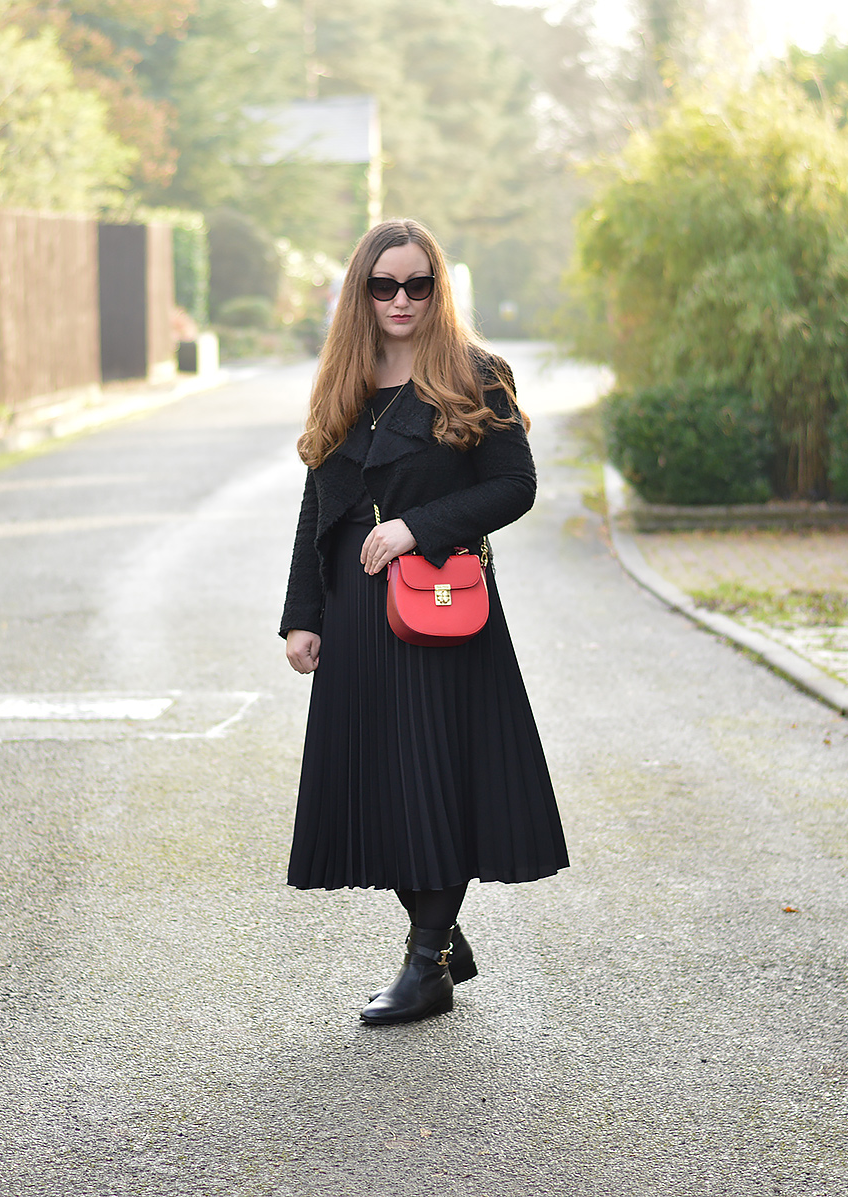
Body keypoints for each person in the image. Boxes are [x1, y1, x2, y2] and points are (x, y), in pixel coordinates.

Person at [280, 219, 569, 1026]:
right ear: (361, 292)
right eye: (383, 285)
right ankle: (438, 938)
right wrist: (303, 616)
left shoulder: (477, 374)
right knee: (374, 782)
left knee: (435, 778)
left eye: (417, 284)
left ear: (438, 288)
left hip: (440, 609)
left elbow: (515, 485)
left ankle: (426, 959)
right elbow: (319, 506)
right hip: (356, 607)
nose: (400, 299)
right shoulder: (343, 377)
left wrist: (419, 525)